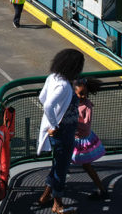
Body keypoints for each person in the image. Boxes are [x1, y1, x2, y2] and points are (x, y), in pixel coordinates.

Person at [36, 49, 85, 214]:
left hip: (62, 130)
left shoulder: (53, 78)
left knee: (59, 164)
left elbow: (42, 97)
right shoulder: (64, 85)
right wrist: (55, 125)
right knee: (61, 168)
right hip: (63, 131)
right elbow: (48, 104)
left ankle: (45, 196)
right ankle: (57, 204)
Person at [71, 78, 107, 200]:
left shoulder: (87, 106)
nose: (83, 96)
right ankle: (102, 189)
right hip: (74, 140)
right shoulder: (73, 103)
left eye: (85, 93)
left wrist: (71, 121)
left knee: (85, 166)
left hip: (80, 142)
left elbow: (85, 127)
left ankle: (102, 189)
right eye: (80, 94)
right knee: (83, 166)